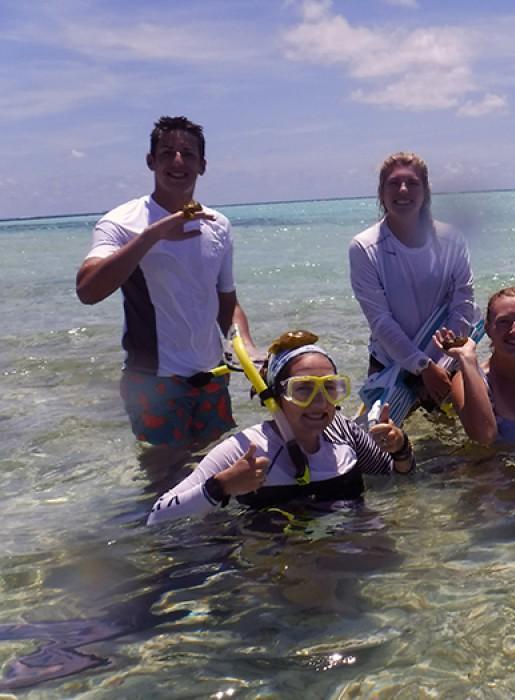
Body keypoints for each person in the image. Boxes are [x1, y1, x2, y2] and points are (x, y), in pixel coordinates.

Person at [76, 116, 258, 450]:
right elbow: (88, 290)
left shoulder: (218, 224)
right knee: (163, 482)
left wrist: (245, 345)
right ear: (151, 161)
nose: (178, 161)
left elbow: (225, 300)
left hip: (212, 376)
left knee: (214, 474)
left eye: (188, 154)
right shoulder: (121, 222)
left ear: (202, 165)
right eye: (167, 153)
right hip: (153, 380)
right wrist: (153, 235)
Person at [147, 331, 413, 524]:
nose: (319, 402)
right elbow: (158, 515)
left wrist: (400, 447)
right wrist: (222, 486)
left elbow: (399, 478)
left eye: (331, 388)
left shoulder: (344, 433)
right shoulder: (244, 450)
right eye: (303, 390)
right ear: (274, 395)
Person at [349, 152, 476, 410]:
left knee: (462, 445)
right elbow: (380, 320)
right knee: (388, 448)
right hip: (392, 366)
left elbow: (463, 303)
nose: (403, 189)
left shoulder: (452, 239)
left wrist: (441, 364)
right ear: (381, 192)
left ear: (426, 190)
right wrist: (421, 366)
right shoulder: (363, 247)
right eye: (394, 183)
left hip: (447, 362)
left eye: (412, 183)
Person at [434, 287, 515, 446]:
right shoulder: (465, 380)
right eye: (504, 322)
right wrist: (467, 358)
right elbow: (484, 437)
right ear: (488, 328)